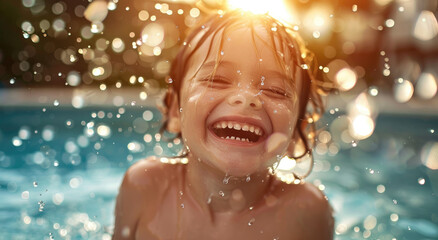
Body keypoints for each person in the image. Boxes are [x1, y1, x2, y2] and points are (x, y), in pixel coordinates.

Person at [113, 9, 334, 240]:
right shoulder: (146, 188)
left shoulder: (306, 212)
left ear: (297, 134)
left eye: (275, 90)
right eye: (216, 79)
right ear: (174, 111)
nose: (247, 97)